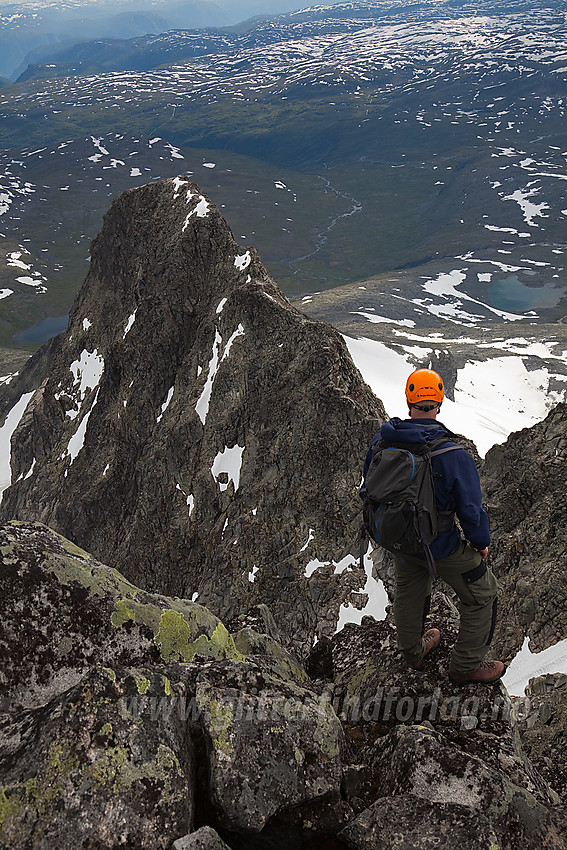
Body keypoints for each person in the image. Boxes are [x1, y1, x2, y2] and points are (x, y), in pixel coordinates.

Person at [363, 368, 504, 684]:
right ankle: (465, 667)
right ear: (440, 399)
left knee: (409, 589)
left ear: (409, 398)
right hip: (439, 544)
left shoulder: (383, 440)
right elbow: (470, 509)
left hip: (399, 538)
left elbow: (369, 486)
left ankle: (413, 652)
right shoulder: (453, 453)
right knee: (483, 592)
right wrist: (480, 542)